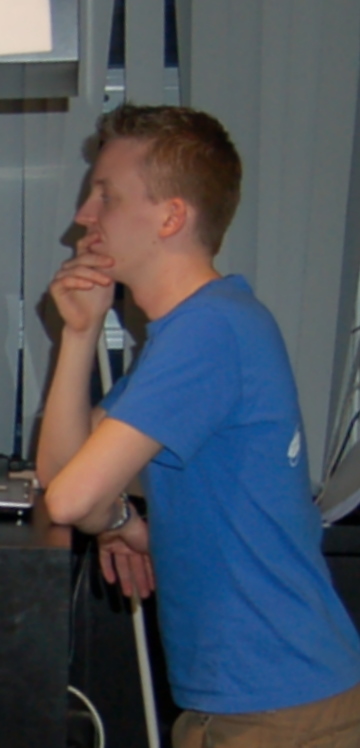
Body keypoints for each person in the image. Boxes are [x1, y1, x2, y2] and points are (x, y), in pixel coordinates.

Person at [37, 104, 360, 746]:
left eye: (106, 195)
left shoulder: (211, 330)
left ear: (171, 217)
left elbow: (72, 498)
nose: (84, 217)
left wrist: (117, 520)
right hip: (244, 698)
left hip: (282, 705)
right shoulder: (197, 329)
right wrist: (79, 334)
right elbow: (61, 473)